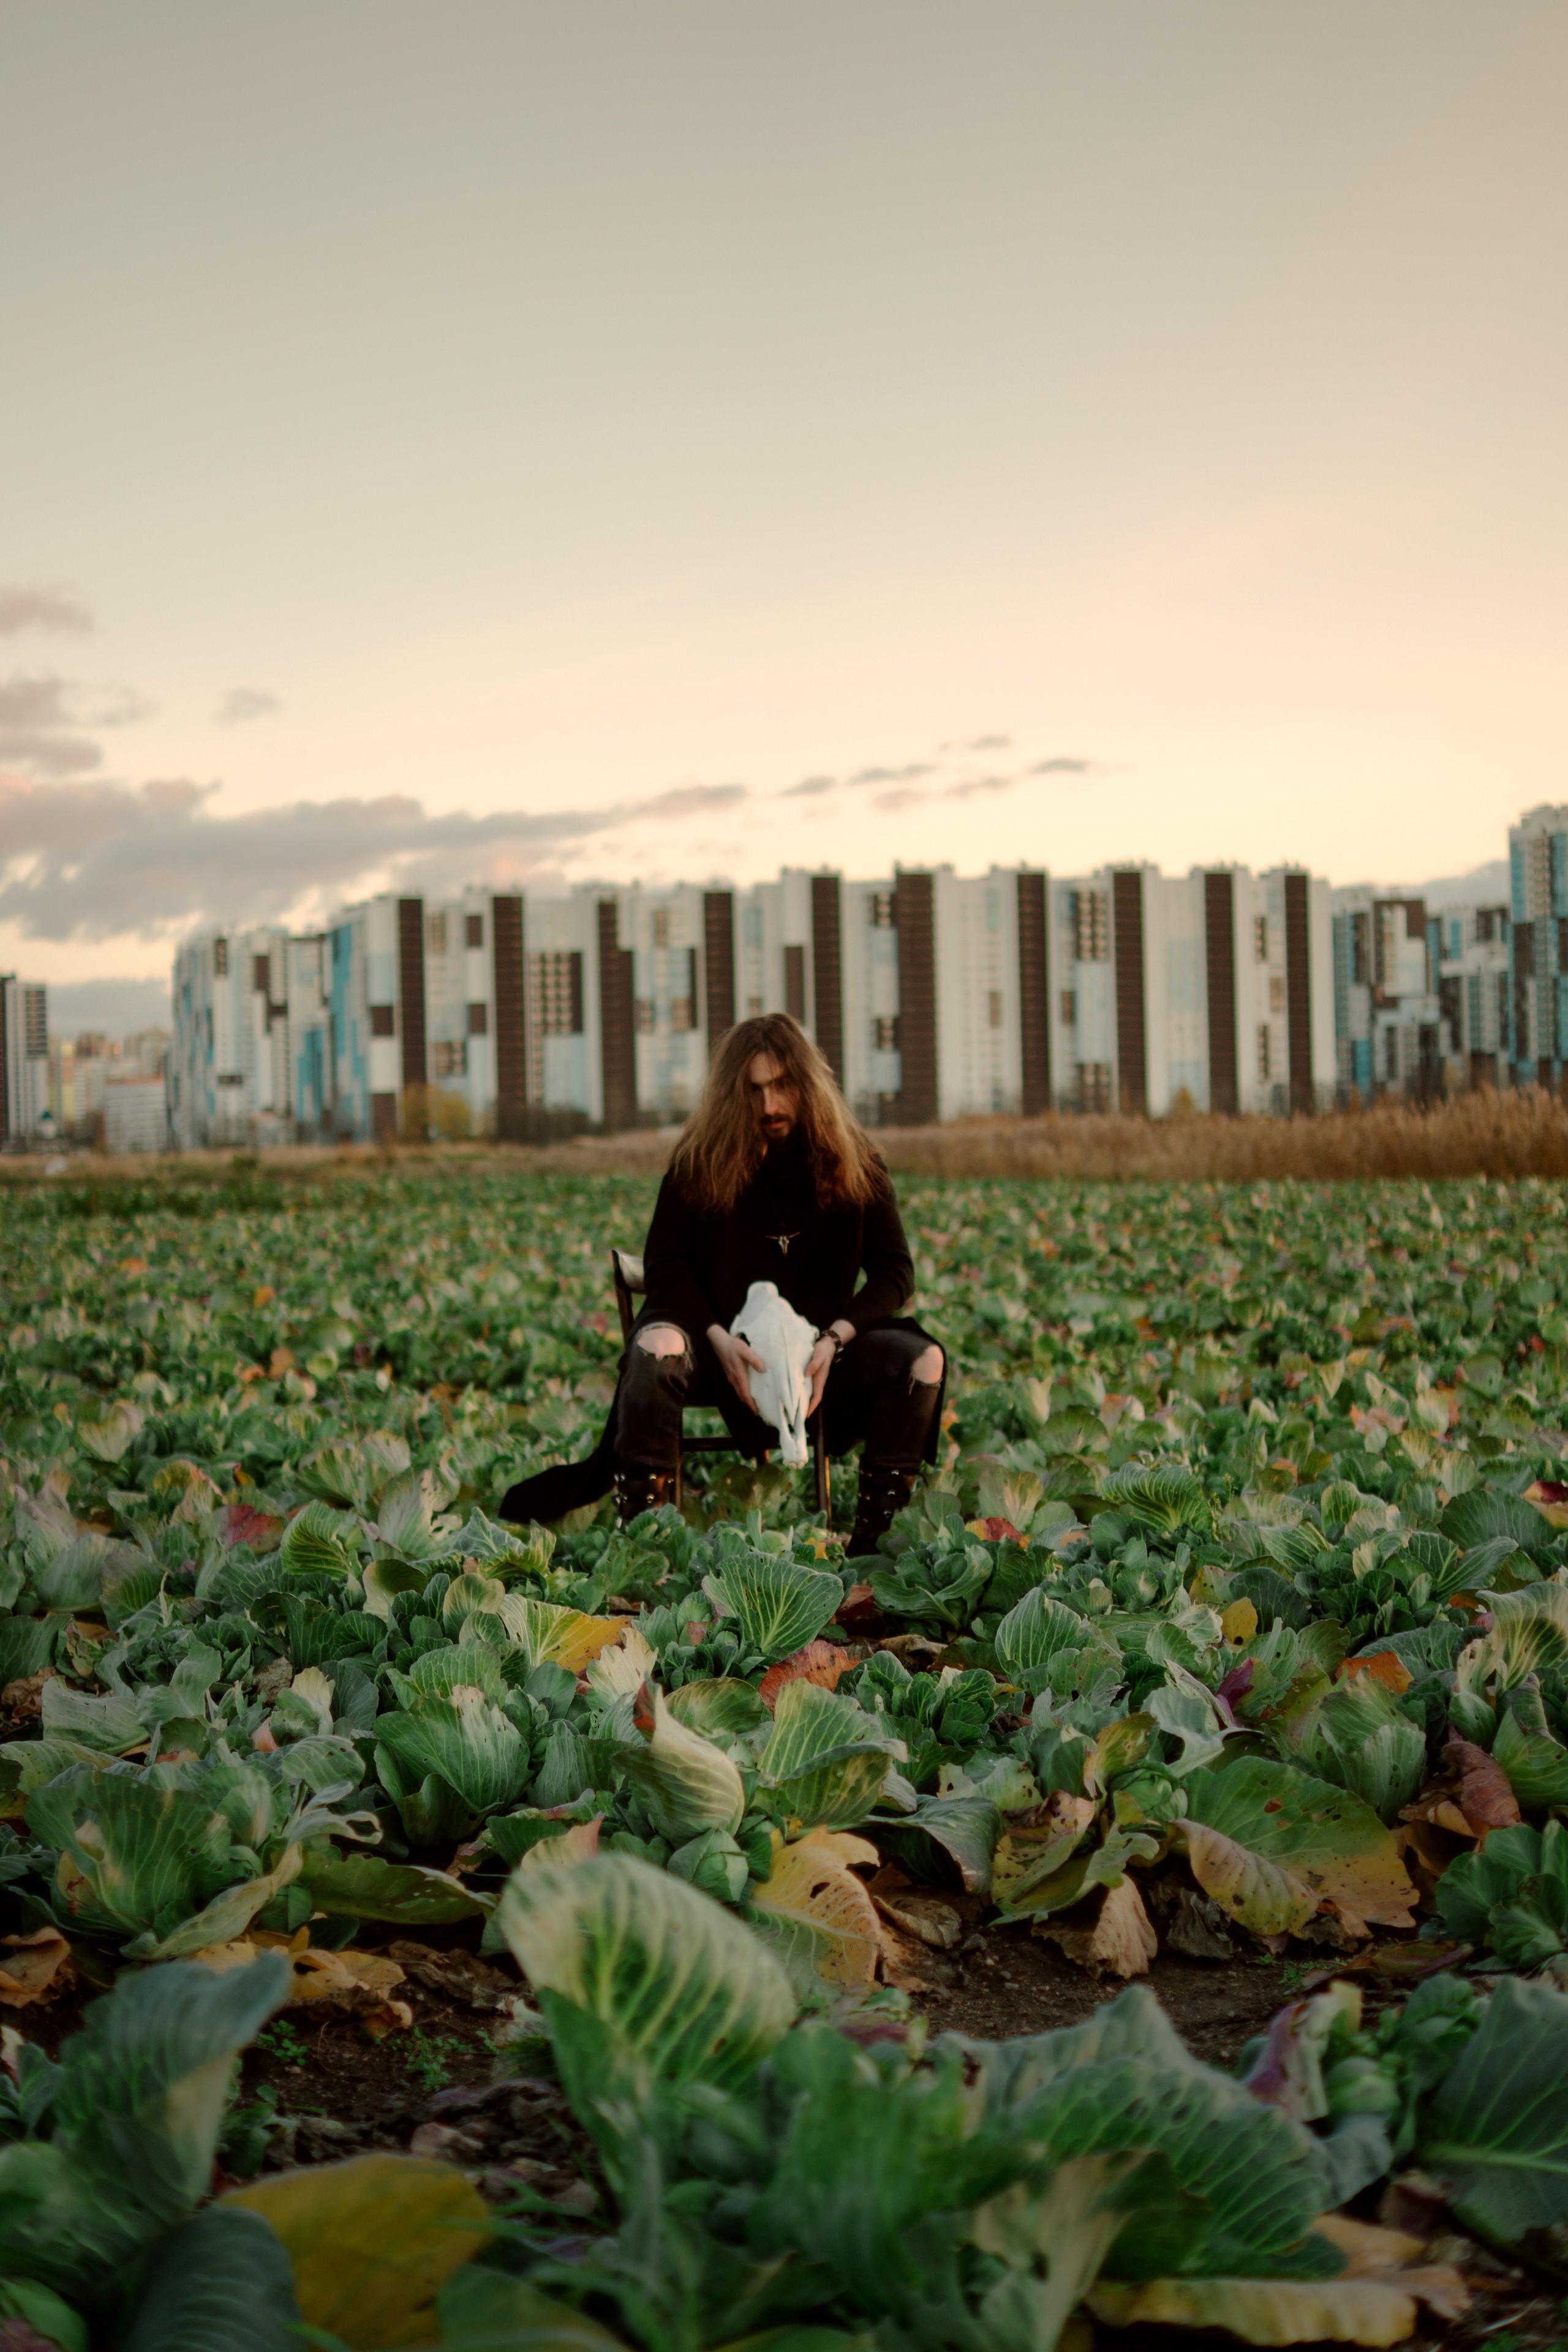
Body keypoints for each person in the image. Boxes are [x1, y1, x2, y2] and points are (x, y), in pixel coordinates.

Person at [499, 1013, 944, 1556]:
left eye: (782, 1086)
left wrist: (833, 1340)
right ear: (733, 1095)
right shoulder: (700, 1160)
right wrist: (716, 1338)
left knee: (923, 1360)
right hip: (715, 1344)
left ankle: (879, 1547)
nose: (769, 1107)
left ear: (807, 1085)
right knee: (654, 1345)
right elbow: (664, 1264)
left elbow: (896, 1272)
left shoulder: (857, 1161)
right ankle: (648, 1549)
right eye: (753, 1091)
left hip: (819, 1354)